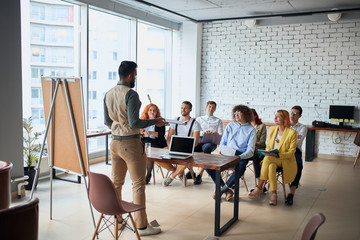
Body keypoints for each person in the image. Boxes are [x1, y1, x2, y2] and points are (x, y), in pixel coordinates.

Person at [104, 61, 166, 236]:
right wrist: (156, 121)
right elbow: (135, 123)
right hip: (130, 144)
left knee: (117, 183)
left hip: (114, 143)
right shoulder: (131, 94)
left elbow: (107, 121)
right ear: (130, 76)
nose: (135, 79)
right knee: (138, 185)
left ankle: (118, 219)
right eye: (135, 76)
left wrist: (118, 125)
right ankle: (142, 226)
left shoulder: (108, 94)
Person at [206, 105, 255, 201]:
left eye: (238, 113)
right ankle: (227, 190)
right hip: (227, 152)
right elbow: (223, 142)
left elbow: (250, 151)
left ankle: (222, 190)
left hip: (241, 154)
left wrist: (240, 157)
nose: (236, 115)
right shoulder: (230, 125)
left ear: (245, 114)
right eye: (235, 113)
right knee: (208, 165)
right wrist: (221, 150)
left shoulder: (251, 130)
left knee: (241, 167)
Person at [248, 110, 297, 206]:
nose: (275, 118)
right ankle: (274, 194)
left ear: (284, 119)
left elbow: (291, 153)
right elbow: (268, 146)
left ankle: (259, 187)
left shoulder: (292, 133)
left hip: (285, 160)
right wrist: (269, 151)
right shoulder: (272, 129)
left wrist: (277, 155)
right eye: (275, 116)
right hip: (272, 159)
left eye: (278, 117)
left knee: (267, 159)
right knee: (271, 166)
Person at [158, 101, 201, 186]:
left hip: (187, 150)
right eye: (182, 108)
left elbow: (195, 143)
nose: (183, 110)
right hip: (173, 147)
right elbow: (169, 137)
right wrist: (171, 147)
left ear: (190, 109)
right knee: (157, 158)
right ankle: (179, 173)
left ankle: (172, 176)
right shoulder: (175, 120)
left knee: (187, 161)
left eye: (185, 108)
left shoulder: (195, 123)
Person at [193, 101, 223, 185]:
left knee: (206, 149)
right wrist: (203, 132)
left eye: (213, 107)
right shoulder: (199, 119)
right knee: (189, 148)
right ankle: (191, 172)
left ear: (215, 109)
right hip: (200, 139)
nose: (211, 108)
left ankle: (199, 174)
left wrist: (216, 133)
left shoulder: (218, 120)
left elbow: (221, 134)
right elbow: (195, 131)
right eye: (209, 106)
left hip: (211, 141)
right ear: (206, 107)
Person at [140, 103, 167, 184]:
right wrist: (141, 132)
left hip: (156, 142)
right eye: (150, 110)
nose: (152, 112)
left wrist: (152, 133)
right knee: (137, 152)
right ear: (147, 111)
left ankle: (148, 176)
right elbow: (138, 133)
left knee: (149, 154)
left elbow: (161, 135)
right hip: (144, 141)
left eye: (154, 110)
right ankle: (139, 177)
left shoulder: (160, 122)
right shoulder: (142, 121)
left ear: (157, 112)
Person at [286, 105, 307, 206]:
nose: (292, 115)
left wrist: (288, 139)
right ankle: (262, 185)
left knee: (299, 165)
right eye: (291, 113)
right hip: (283, 149)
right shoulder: (285, 125)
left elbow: (297, 143)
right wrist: (294, 136)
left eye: (295, 114)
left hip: (295, 150)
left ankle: (291, 192)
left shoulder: (302, 127)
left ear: (300, 116)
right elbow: (278, 140)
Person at [250, 108, 267, 189]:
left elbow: (262, 142)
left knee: (256, 158)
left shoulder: (262, 126)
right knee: (239, 158)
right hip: (248, 150)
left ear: (255, 116)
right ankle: (235, 180)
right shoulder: (246, 126)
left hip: (258, 150)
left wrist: (251, 144)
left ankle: (259, 184)